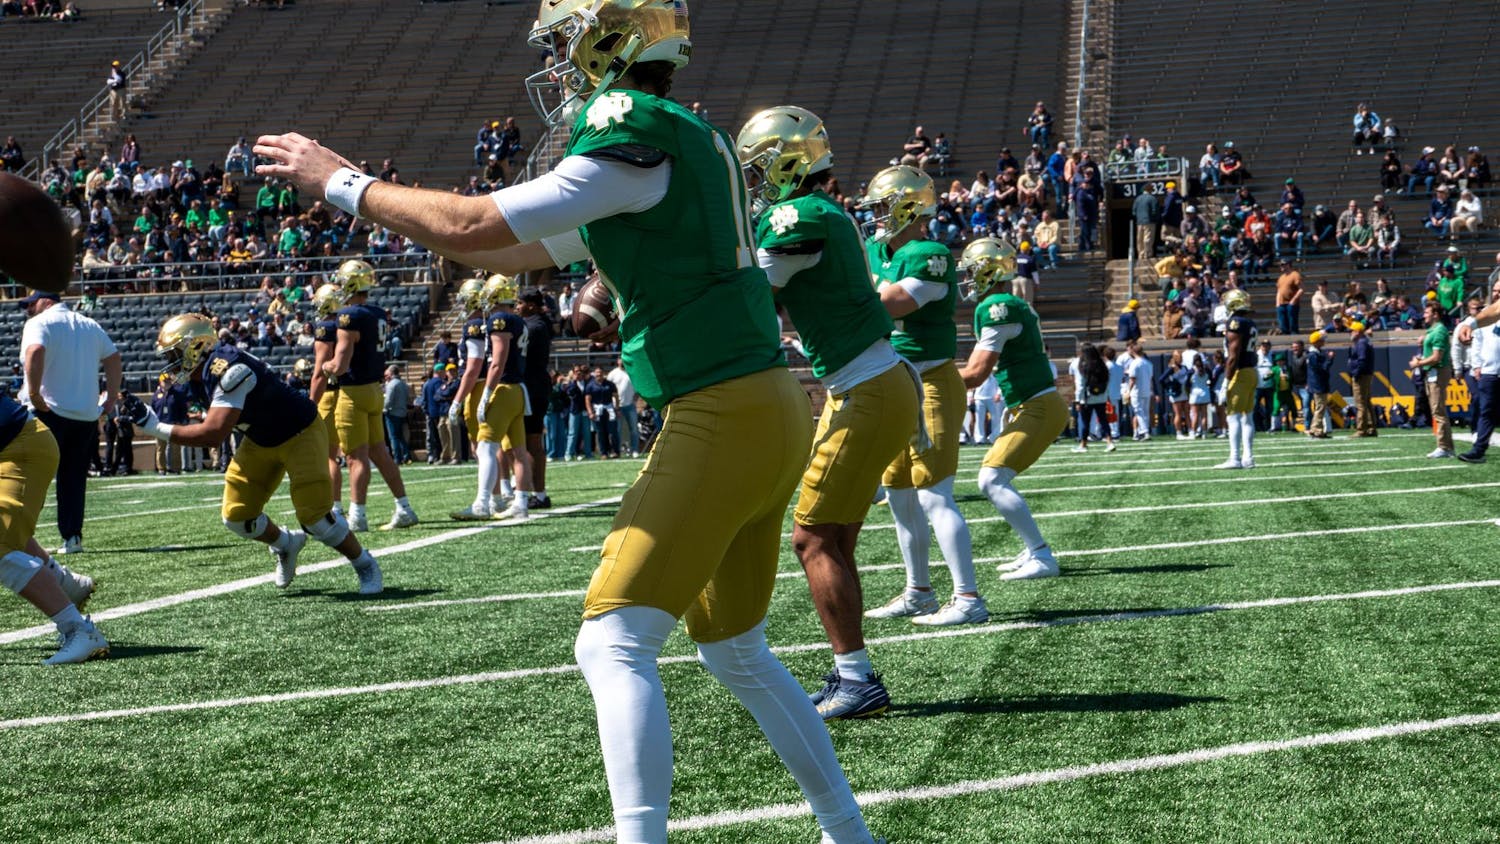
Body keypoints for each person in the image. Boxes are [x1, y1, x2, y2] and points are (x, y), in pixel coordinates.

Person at [253, 4, 878, 839]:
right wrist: (387, 206)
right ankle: (848, 830)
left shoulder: (632, 130)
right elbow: (493, 249)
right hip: (763, 403)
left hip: (723, 408)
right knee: (735, 650)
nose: (555, 64)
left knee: (611, 642)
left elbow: (477, 224)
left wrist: (343, 181)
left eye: (562, 44)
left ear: (605, 40)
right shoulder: (681, 140)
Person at [736, 108, 923, 732]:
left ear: (786, 162)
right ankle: (853, 673)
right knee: (833, 538)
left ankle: (857, 679)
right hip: (870, 384)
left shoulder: (801, 215)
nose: (755, 178)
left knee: (811, 538)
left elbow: (747, 294)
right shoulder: (817, 215)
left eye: (761, 165)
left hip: (866, 387)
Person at [135, 314, 383, 594]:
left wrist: (156, 428)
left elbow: (214, 433)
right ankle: (286, 544)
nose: (171, 361)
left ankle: (364, 563)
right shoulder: (199, 374)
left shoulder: (229, 368)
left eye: (175, 353)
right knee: (237, 515)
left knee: (315, 518)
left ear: (196, 346)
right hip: (260, 437)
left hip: (299, 432)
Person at [859, 165, 982, 656]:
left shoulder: (928, 254)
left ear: (904, 206)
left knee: (935, 495)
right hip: (895, 382)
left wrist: (846, 292)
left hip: (931, 380)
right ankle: (918, 591)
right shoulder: (880, 251)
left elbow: (889, 303)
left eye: (879, 206)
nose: (872, 217)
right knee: (899, 496)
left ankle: (968, 596)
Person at [956, 238, 1069, 580]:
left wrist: (925, 376)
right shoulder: (1006, 304)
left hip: (1038, 405)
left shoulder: (997, 307)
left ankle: (1041, 555)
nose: (968, 279)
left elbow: (976, 374)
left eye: (974, 271)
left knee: (991, 479)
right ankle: (1032, 549)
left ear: (990, 271)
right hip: (1031, 404)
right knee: (995, 477)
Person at [0, 389, 108, 664]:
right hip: (15, 442)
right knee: (8, 533)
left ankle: (79, 630)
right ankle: (64, 583)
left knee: (1, 542)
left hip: (19, 446)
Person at [19, 290, 121, 555]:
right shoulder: (90, 324)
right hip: (85, 415)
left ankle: (17, 536)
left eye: (32, 303)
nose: (29, 309)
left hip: (49, 412)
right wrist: (110, 398)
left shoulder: (40, 323)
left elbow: (35, 350)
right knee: (73, 478)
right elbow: (113, 358)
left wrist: (33, 394)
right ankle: (72, 537)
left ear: (46, 301)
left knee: (31, 477)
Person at [326, 260, 419, 531]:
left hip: (353, 393)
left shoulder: (348, 316)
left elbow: (341, 363)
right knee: (380, 452)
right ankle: (404, 507)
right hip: (375, 390)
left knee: (356, 457)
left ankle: (358, 516)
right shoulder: (377, 312)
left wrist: (325, 366)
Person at [449, 276, 535, 521]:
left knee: (486, 447)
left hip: (503, 389)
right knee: (518, 450)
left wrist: (487, 392)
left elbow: (497, 361)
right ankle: (520, 503)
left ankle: (482, 503)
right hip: (518, 389)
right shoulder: (518, 320)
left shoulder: (499, 320)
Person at [308, 283, 345, 516]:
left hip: (330, 394)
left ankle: (335, 505)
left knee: (328, 454)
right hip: (352, 389)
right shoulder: (347, 321)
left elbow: (320, 371)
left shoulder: (326, 327)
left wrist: (311, 401)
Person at [518, 287, 556, 508]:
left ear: (531, 305)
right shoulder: (537, 324)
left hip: (532, 387)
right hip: (534, 385)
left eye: (520, 303)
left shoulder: (535, 327)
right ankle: (530, 490)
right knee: (525, 441)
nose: (517, 307)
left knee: (530, 441)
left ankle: (538, 494)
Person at [1455, 277, 1500, 462]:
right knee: (1486, 412)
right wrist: (1469, 324)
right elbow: (1494, 311)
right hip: (1491, 371)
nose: (1498, 293)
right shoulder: (1487, 314)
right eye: (1497, 289)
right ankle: (1479, 449)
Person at [1217, 289, 1258, 469]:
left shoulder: (1235, 322)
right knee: (1247, 417)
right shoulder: (1249, 322)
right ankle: (1248, 458)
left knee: (1233, 416)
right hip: (1251, 371)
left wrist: (1225, 381)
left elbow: (1233, 355)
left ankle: (1234, 458)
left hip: (1240, 372)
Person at [1411, 300, 1454, 458]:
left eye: (1427, 313)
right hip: (1433, 372)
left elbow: (1436, 357)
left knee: (1438, 410)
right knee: (1437, 410)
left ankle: (1443, 446)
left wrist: (1419, 363)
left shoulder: (1439, 330)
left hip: (1438, 371)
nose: (1424, 315)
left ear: (1435, 315)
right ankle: (1447, 447)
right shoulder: (1433, 330)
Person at [1072, 344, 1114, 452]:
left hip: (1087, 398)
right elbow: (1106, 381)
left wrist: (1078, 400)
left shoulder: (1083, 365)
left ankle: (1083, 445)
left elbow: (1081, 384)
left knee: (1085, 422)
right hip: (1101, 397)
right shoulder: (1101, 364)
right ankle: (1110, 442)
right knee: (1103, 420)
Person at [1347, 321, 1377, 437]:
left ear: (1358, 332)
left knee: (1360, 403)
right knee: (1366, 402)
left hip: (1362, 376)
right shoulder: (1364, 342)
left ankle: (1361, 429)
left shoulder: (1361, 343)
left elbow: (1362, 360)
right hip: (1366, 374)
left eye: (1352, 331)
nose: (1350, 333)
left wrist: (1356, 373)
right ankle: (1371, 427)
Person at [584, 366, 619, 458]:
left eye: (600, 372)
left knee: (612, 431)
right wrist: (590, 412)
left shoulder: (610, 384)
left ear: (603, 373)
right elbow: (587, 400)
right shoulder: (590, 385)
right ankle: (604, 453)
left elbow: (616, 396)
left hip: (609, 409)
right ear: (594, 374)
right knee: (600, 432)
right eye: (597, 372)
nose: (599, 374)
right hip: (597, 410)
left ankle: (615, 451)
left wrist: (617, 408)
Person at [606, 359, 637, 458]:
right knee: (617, 430)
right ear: (618, 361)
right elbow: (607, 389)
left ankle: (635, 450)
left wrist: (635, 398)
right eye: (620, 360)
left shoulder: (632, 371)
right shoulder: (612, 374)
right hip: (617, 407)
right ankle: (618, 451)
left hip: (630, 406)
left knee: (634, 429)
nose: (622, 361)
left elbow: (638, 387)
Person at [1123, 342, 1154, 439]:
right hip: (1146, 389)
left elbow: (1132, 379)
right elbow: (1150, 378)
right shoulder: (1148, 363)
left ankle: (1144, 432)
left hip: (1137, 391)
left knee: (1139, 412)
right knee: (1145, 412)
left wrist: (1128, 391)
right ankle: (1143, 431)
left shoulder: (1134, 363)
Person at [1305, 331, 1333, 438]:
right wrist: (1329, 359)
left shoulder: (1315, 353)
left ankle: (1317, 429)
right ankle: (1315, 429)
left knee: (1320, 407)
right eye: (1321, 340)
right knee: (1320, 407)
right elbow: (1322, 369)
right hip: (1318, 384)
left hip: (1319, 383)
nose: (1323, 341)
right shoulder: (1313, 355)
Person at [381, 365, 412, 464]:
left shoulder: (391, 385)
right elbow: (408, 398)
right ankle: (406, 456)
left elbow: (388, 400)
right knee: (400, 436)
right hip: (402, 412)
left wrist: (384, 409)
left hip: (392, 413)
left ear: (391, 373)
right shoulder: (403, 384)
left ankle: (397, 458)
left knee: (393, 437)